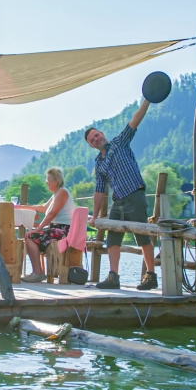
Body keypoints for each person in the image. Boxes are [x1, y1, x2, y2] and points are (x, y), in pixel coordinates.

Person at [85, 99, 157, 290]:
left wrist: (147, 100)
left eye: (96, 135)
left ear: (102, 134)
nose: (96, 139)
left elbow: (135, 120)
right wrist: (94, 216)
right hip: (118, 202)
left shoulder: (119, 143)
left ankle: (150, 275)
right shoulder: (98, 164)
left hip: (135, 195)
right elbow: (100, 191)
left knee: (142, 236)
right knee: (112, 239)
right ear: (91, 146)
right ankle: (113, 277)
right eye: (92, 140)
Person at [17, 167, 75, 283]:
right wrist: (21, 206)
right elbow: (43, 208)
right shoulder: (56, 194)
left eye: (48, 179)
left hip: (63, 230)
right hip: (57, 228)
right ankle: (37, 272)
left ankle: (38, 273)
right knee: (31, 235)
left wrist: (39, 229)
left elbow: (52, 213)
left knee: (30, 236)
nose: (46, 182)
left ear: (56, 181)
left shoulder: (62, 192)